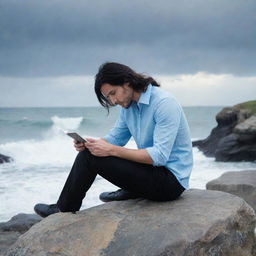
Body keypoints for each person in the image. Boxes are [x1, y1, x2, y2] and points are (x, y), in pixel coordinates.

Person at [34, 62, 193, 218]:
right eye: (108, 97)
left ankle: (64, 209)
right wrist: (92, 144)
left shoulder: (164, 103)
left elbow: (159, 156)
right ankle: (133, 190)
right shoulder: (129, 107)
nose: (113, 101)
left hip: (170, 183)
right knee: (90, 153)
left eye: (113, 93)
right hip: (151, 172)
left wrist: (110, 150)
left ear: (127, 82)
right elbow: (115, 138)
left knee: (89, 158)